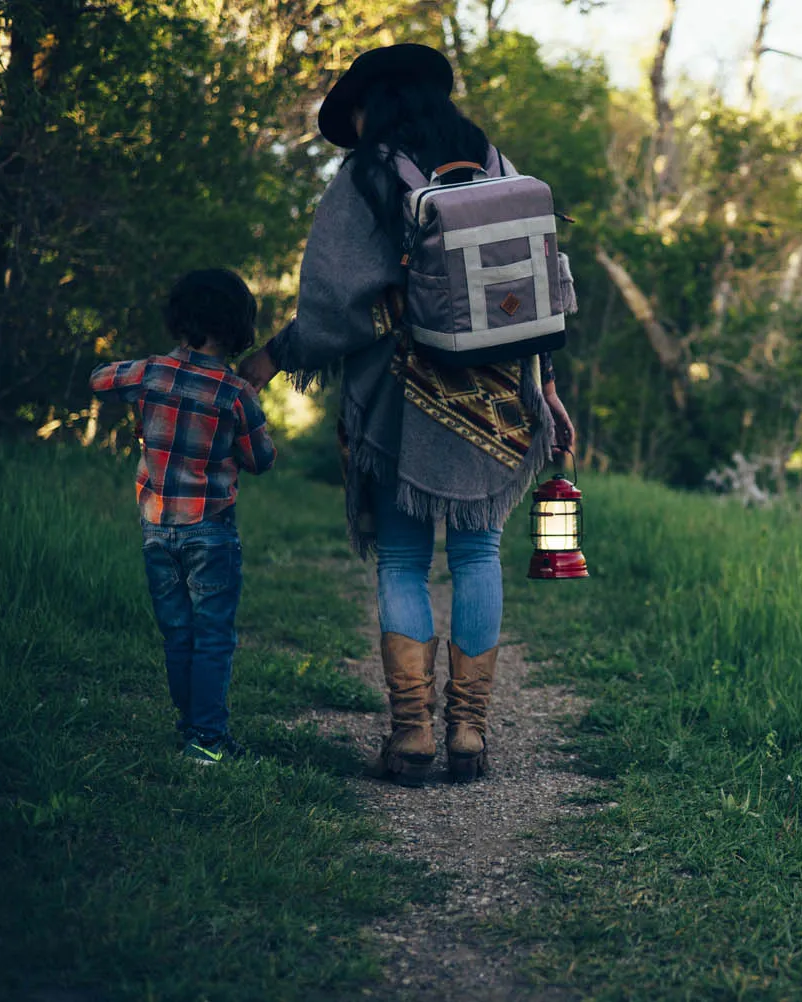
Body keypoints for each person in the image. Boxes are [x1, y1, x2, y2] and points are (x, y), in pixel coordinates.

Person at [239, 44, 575, 787]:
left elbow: (336, 306)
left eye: (353, 108)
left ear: (376, 103)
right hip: (495, 397)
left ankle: (413, 733)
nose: (351, 122)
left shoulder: (365, 175)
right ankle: (470, 734)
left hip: (400, 396)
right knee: (477, 555)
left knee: (401, 559)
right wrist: (546, 387)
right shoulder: (490, 159)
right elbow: (536, 286)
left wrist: (271, 356)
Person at [91, 269, 277, 764]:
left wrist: (140, 401)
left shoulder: (148, 373)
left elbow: (99, 379)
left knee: (178, 632)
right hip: (210, 532)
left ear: (179, 320)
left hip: (156, 529)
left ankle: (190, 726)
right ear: (238, 328)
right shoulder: (235, 393)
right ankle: (207, 740)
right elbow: (262, 460)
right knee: (213, 634)